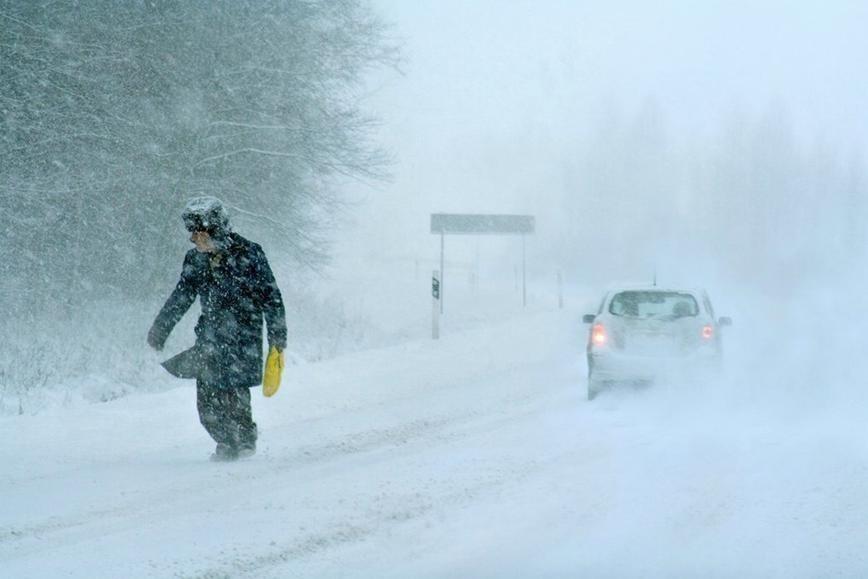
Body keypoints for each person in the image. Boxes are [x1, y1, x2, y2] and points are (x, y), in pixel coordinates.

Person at [148, 196, 287, 461]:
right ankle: (225, 441)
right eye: (192, 234)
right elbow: (182, 296)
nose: (193, 240)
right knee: (207, 401)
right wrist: (160, 328)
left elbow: (272, 298)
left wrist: (277, 338)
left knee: (234, 394)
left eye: (198, 233)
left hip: (244, 337)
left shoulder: (250, 254)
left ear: (216, 230)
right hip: (210, 338)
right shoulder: (195, 260)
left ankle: (244, 441)